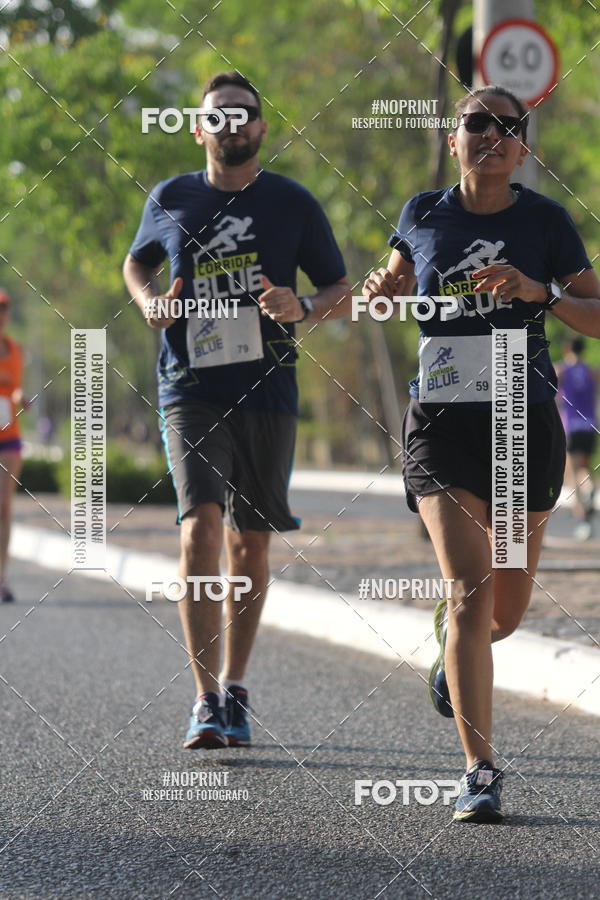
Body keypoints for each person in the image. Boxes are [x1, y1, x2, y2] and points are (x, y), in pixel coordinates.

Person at [362, 85, 600, 822]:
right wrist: (380, 288)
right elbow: (393, 285)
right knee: (469, 588)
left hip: (520, 423)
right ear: (451, 139)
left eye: (508, 126)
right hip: (440, 422)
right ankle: (480, 770)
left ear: (524, 148)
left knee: (503, 613)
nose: (491, 134)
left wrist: (541, 292)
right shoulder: (422, 213)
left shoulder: (546, 221)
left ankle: (449, 641)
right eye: (476, 123)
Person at [123, 72, 350, 749]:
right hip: (189, 387)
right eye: (216, 116)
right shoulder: (170, 198)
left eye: (243, 114)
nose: (230, 125)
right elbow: (135, 265)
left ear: (261, 127)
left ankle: (237, 685)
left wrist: (303, 306)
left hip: (268, 389)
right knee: (200, 530)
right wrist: (149, 301)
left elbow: (338, 285)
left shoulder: (292, 204)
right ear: (198, 129)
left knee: (251, 542)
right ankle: (203, 698)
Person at [0, 290, 29, 603]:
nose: (1, 316)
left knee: (4, 506)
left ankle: (2, 578)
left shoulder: (14, 349)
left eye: (4, 311)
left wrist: (20, 397)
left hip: (9, 435)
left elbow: (17, 386)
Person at [557, 337, 597, 540]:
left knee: (572, 474)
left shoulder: (561, 370)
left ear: (566, 349)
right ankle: (590, 489)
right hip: (589, 424)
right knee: (585, 469)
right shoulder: (592, 371)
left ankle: (582, 521)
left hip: (571, 426)